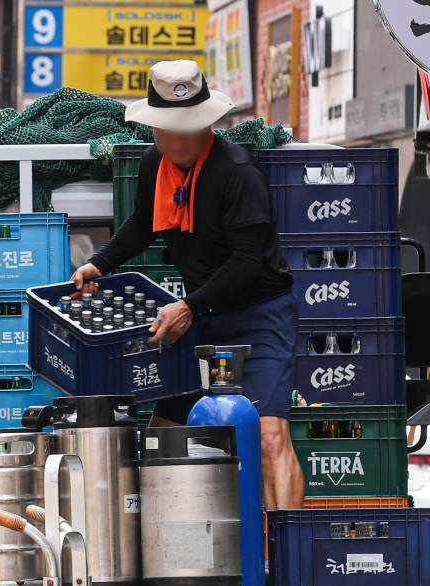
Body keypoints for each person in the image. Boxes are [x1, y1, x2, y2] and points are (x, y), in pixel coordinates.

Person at [71, 60, 305, 510]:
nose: (178, 142)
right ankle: (169, 544)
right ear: (154, 128)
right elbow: (142, 224)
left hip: (258, 314)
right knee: (165, 435)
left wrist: (189, 307)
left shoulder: (237, 172)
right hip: (200, 315)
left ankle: (286, 546)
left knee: (268, 433)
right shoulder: (154, 164)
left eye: (189, 129)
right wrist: (99, 264)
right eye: (168, 131)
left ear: (207, 123)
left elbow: (248, 262)